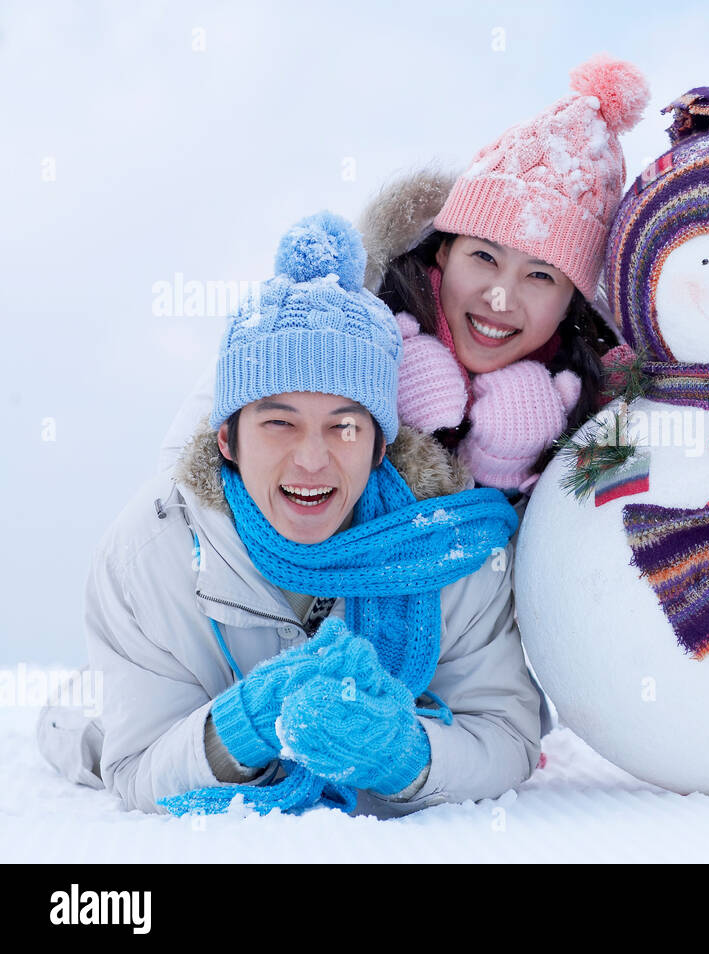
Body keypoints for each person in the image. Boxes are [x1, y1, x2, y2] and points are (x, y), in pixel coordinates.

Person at [36, 212, 541, 818]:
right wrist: (243, 722)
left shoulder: (446, 552)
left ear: (381, 446)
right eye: (278, 423)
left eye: (345, 426)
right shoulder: (148, 556)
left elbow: (508, 738)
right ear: (228, 438)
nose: (311, 459)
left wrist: (408, 755)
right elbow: (137, 768)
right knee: (81, 734)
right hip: (131, 699)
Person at [156, 53, 648, 501]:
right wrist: (387, 405)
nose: (500, 296)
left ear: (572, 303)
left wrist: (511, 474)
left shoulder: (605, 420)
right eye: (484, 257)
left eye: (541, 276)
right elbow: (187, 479)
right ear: (444, 251)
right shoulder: (325, 326)